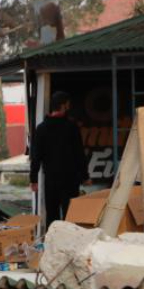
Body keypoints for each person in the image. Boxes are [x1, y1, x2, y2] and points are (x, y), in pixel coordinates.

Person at [30, 91, 89, 229]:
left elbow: (36, 156)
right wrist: (85, 176)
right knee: (71, 215)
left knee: (52, 215)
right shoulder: (71, 127)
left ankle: (53, 240)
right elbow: (79, 154)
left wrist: (33, 179)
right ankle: (70, 240)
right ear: (63, 106)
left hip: (51, 180)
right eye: (67, 104)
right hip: (70, 179)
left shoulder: (41, 129)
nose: (69, 107)